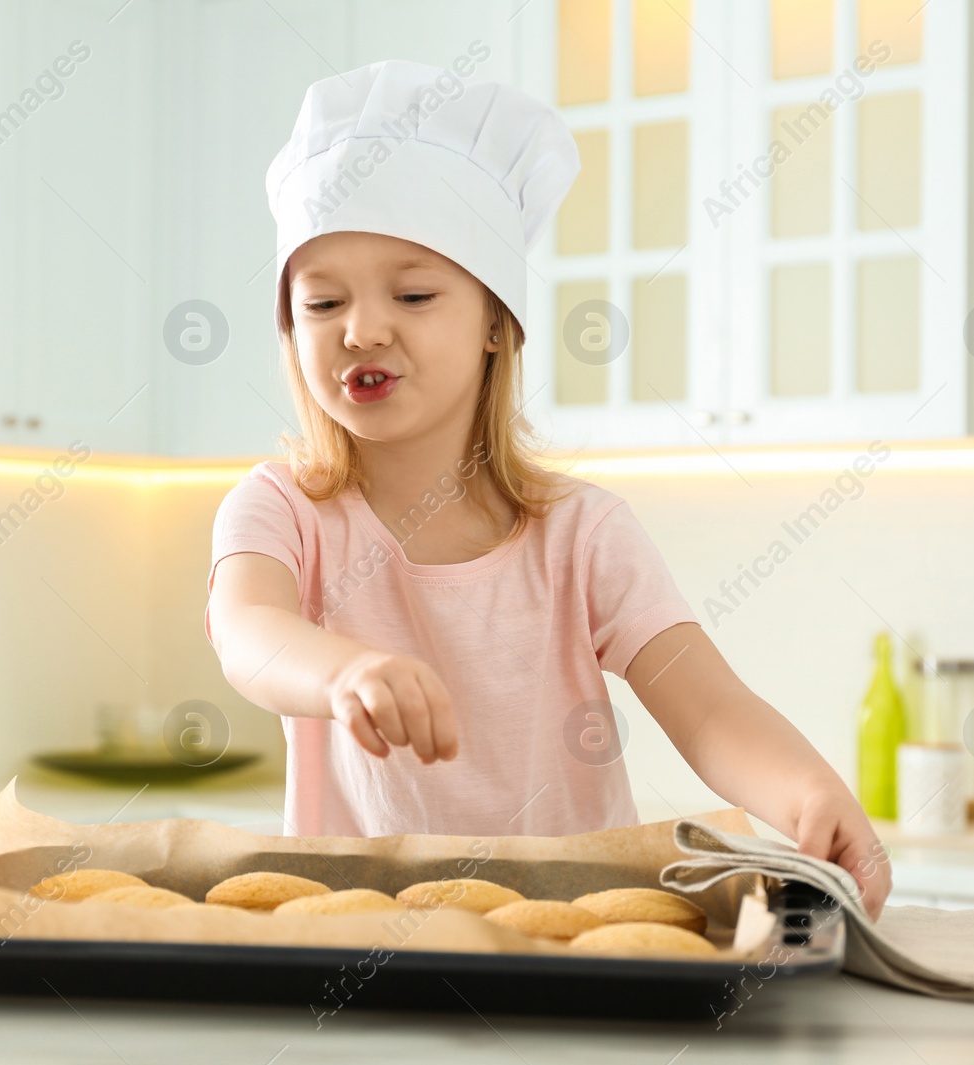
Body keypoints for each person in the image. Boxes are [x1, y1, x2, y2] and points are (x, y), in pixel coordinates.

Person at [205, 59, 889, 920]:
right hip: (361, 942)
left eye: (413, 293)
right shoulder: (282, 509)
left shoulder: (583, 535)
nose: (362, 329)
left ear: (497, 321)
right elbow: (248, 634)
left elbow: (709, 709)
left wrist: (807, 791)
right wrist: (344, 671)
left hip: (568, 937)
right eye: (321, 302)